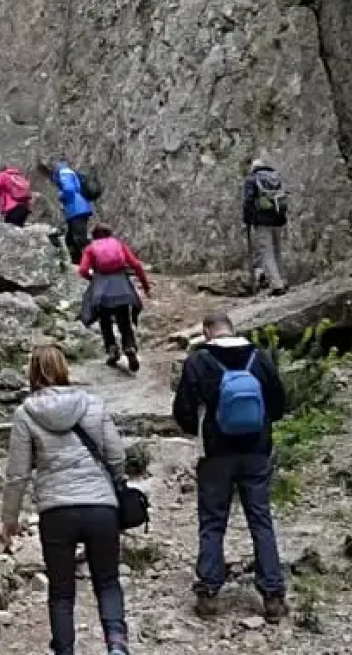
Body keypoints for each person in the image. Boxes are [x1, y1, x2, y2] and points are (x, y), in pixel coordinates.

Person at [1, 344, 132, 655]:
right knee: (108, 581)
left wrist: (9, 518)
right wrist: (117, 485)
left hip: (56, 511)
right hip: (101, 507)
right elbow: (116, 455)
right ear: (64, 368)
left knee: (61, 592)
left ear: (32, 371)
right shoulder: (93, 404)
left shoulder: (25, 413)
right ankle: (116, 644)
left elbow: (17, 473)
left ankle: (64, 650)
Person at [172, 311, 289, 623]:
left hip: (215, 454)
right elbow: (278, 404)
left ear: (209, 331)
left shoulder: (199, 361)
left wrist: (199, 428)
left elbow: (182, 409)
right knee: (260, 520)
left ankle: (209, 591)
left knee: (212, 522)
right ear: (232, 328)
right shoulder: (260, 357)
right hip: (256, 452)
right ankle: (273, 594)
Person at [77, 224, 151, 372]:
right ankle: (129, 346)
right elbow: (136, 264)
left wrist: (93, 278)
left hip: (102, 288)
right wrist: (146, 286)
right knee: (124, 320)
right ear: (110, 233)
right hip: (121, 285)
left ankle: (112, 348)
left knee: (104, 320)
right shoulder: (119, 244)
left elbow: (83, 270)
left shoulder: (91, 248)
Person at [242, 158, 289, 295]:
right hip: (278, 220)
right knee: (277, 251)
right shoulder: (275, 177)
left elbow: (248, 201)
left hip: (262, 222)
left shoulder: (252, 179)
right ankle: (283, 280)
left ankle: (276, 285)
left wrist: (247, 220)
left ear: (253, 168)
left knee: (266, 252)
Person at [44, 159, 95, 263]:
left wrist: (62, 195)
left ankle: (94, 261)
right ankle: (79, 261)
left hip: (76, 209)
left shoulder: (64, 172)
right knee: (70, 239)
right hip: (77, 208)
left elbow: (69, 189)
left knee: (79, 238)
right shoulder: (67, 172)